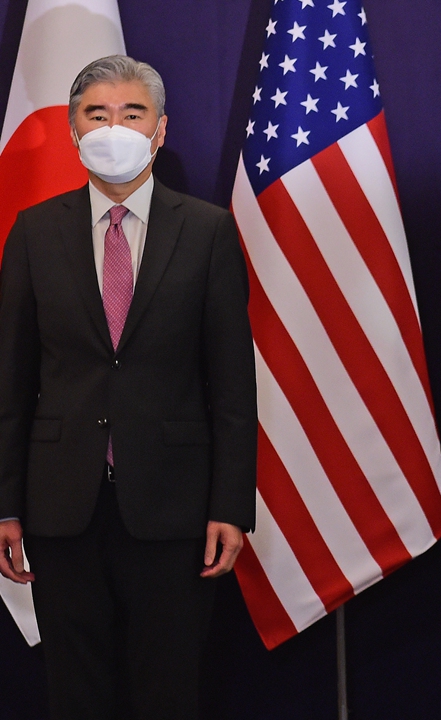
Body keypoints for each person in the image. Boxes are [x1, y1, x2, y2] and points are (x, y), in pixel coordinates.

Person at [0, 55, 256, 719]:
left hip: (173, 507)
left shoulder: (209, 231)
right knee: (74, 693)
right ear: (73, 129)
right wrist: (4, 505)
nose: (115, 127)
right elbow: (11, 380)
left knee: (167, 691)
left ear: (161, 130)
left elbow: (231, 384)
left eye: (132, 113)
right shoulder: (33, 232)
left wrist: (231, 504)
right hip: (61, 505)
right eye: (98, 114)